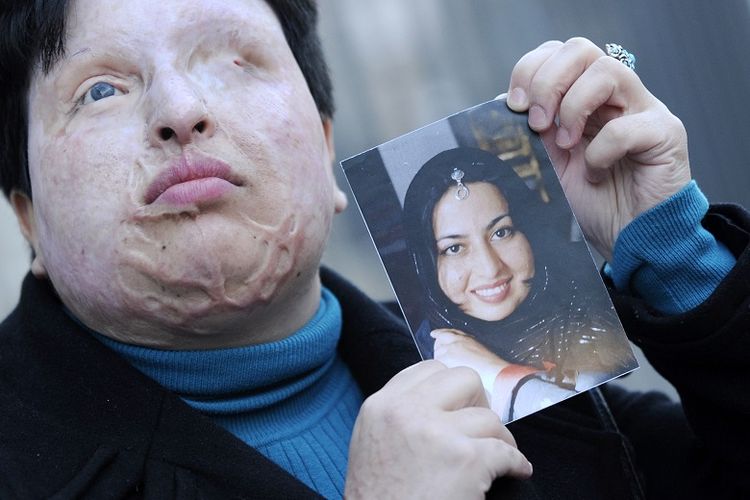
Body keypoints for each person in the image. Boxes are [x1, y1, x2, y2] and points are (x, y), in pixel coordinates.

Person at [0, 0, 746, 497]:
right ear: (25, 214)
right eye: (100, 89)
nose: (180, 111)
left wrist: (676, 252)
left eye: (232, 60)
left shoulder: (511, 370)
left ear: (325, 148)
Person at [403, 147, 637, 421]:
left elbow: (580, 407)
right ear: (428, 266)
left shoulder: (583, 310)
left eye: (502, 232)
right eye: (454, 248)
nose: (490, 268)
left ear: (529, 231)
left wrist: (497, 373)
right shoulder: (420, 359)